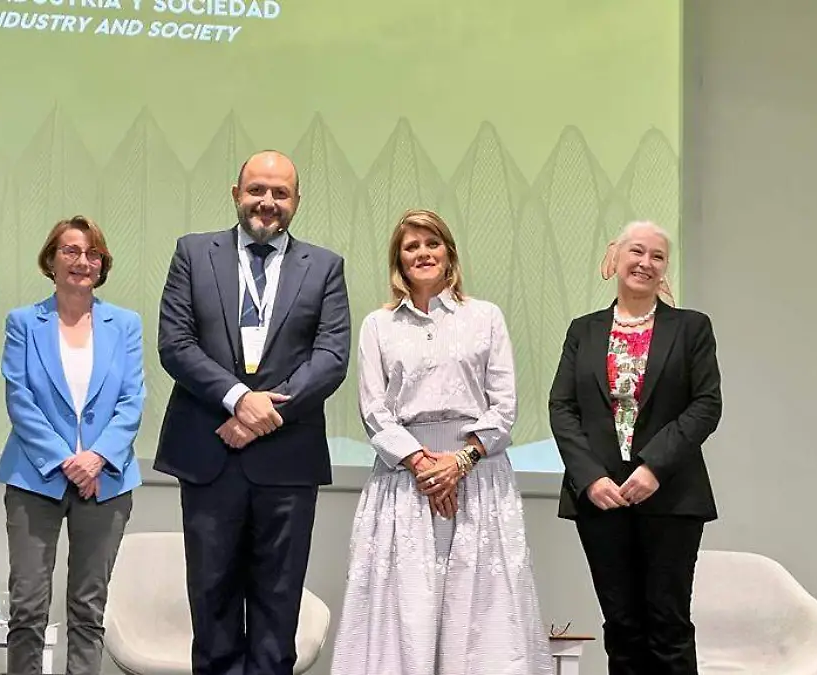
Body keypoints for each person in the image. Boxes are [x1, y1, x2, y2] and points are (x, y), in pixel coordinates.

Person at [330, 209, 553, 675]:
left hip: (479, 476)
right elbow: (373, 409)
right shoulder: (378, 325)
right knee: (405, 608)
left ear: (449, 254)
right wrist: (422, 464)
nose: (423, 253)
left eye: (432, 244)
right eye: (411, 247)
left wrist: (461, 461)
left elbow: (505, 405)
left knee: (481, 616)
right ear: (399, 261)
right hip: (404, 480)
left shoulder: (485, 317)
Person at [154, 150, 351, 675]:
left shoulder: (326, 266)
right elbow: (175, 344)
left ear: (296, 201)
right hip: (208, 453)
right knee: (212, 605)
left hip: (287, 462)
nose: (268, 202)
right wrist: (239, 399)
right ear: (236, 192)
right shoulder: (193, 254)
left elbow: (331, 358)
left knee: (277, 609)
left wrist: (264, 412)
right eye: (258, 190)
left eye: (280, 193)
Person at [548, 220, 722, 675]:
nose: (646, 263)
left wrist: (653, 468)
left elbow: (706, 405)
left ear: (665, 269)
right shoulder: (583, 330)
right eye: (637, 252)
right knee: (621, 628)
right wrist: (590, 478)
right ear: (616, 257)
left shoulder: (691, 328)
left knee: (668, 625)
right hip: (601, 500)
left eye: (658, 256)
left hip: (671, 497)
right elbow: (562, 407)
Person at [0, 215, 145, 675]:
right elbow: (19, 399)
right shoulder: (24, 322)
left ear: (102, 265)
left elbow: (132, 399)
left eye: (92, 253)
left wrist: (97, 458)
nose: (82, 261)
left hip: (107, 482)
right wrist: (66, 460)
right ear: (51, 260)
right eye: (71, 251)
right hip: (35, 478)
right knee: (27, 608)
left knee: (87, 610)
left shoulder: (126, 324)